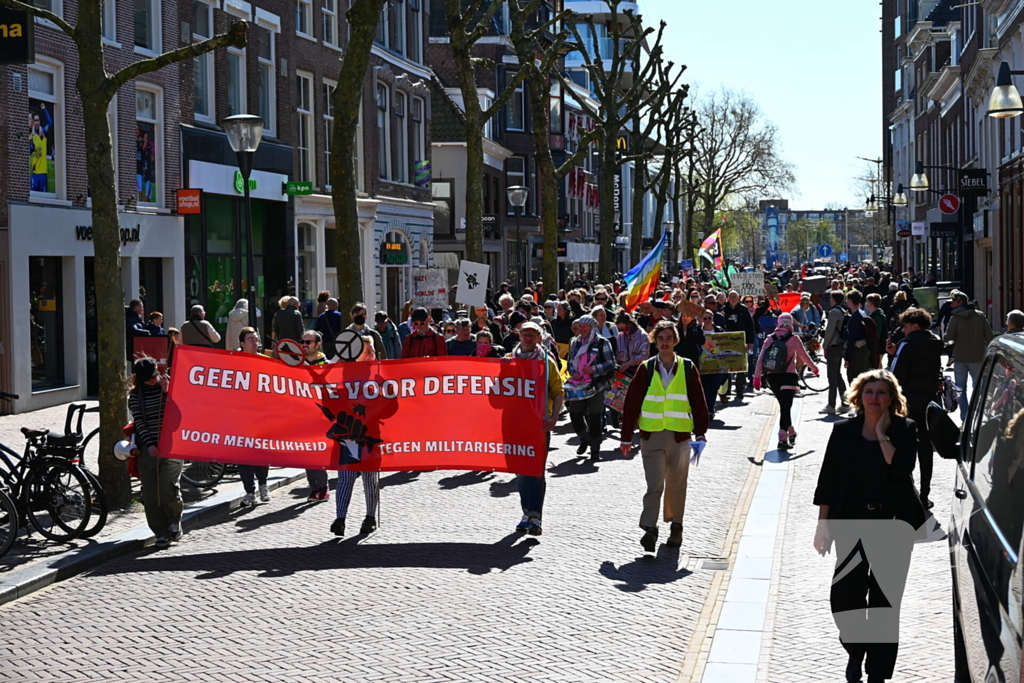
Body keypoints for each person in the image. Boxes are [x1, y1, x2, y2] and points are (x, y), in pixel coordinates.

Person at [813, 369, 926, 683]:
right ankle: (855, 650)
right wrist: (823, 524)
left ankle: (877, 672)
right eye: (869, 392)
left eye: (881, 393)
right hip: (851, 524)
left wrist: (881, 434)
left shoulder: (905, 428)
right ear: (859, 397)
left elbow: (901, 468)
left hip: (893, 525)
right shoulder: (843, 431)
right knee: (844, 597)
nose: (874, 398)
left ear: (891, 399)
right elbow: (829, 479)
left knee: (884, 601)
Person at [619, 320, 710, 551]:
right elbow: (631, 403)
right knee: (655, 484)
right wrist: (626, 437)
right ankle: (650, 528)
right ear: (654, 341)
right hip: (652, 435)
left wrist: (700, 433)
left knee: (677, 485)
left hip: (680, 436)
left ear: (675, 340)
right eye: (660, 338)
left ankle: (676, 526)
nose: (665, 342)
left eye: (669, 338)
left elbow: (699, 402)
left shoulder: (688, 367)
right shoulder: (646, 368)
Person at [506, 322, 564, 536]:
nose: (528, 337)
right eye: (524, 334)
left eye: (532, 334)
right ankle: (526, 513)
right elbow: (496, 393)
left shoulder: (547, 362)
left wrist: (554, 417)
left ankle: (536, 516)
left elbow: (558, 391)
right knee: (521, 471)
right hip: (515, 423)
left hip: (539, 424)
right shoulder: (509, 360)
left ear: (539, 337)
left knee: (537, 470)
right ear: (519, 336)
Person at [887, 307, 942, 510]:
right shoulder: (935, 343)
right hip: (929, 403)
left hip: (907, 403)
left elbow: (895, 377)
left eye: (905, 326)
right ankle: (925, 494)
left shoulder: (906, 345)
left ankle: (909, 494)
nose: (903, 330)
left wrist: (894, 356)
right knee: (926, 449)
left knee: (904, 448)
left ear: (915, 326)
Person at [127, 356, 183, 549]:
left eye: (153, 376)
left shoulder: (169, 388)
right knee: (151, 494)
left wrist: (168, 393)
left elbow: (179, 416)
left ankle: (174, 522)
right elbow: (140, 422)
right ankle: (161, 533)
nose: (152, 380)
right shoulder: (136, 396)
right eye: (147, 378)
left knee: (168, 489)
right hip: (148, 448)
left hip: (172, 446)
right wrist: (150, 445)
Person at [330, 342, 381, 538]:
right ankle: (340, 519)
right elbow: (332, 399)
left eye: (372, 351)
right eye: (367, 351)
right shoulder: (345, 375)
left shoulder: (380, 378)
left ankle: (370, 517)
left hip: (371, 435)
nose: (371, 354)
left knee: (370, 478)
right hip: (350, 435)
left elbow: (391, 407)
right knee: (346, 476)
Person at [754, 312, 819, 450]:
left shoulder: (770, 338)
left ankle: (791, 431)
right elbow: (804, 356)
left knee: (784, 407)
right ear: (790, 324)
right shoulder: (794, 339)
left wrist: (757, 377)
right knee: (785, 407)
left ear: (778, 323)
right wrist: (814, 368)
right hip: (789, 377)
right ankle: (782, 438)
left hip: (773, 378)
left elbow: (761, 358)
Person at [565, 314, 616, 460]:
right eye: (580, 326)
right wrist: (573, 372)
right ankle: (584, 438)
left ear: (592, 327)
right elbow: (570, 361)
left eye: (584, 327)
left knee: (595, 417)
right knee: (575, 414)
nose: (581, 329)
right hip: (578, 385)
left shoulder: (602, 342)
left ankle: (595, 449)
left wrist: (594, 369)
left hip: (596, 384)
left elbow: (611, 363)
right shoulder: (575, 342)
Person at [944, 290, 994, 419]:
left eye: (953, 302)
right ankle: (978, 416)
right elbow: (989, 337)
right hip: (978, 357)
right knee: (979, 388)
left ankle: (965, 418)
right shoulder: (980, 316)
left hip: (960, 358)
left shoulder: (955, 318)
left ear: (960, 303)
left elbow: (948, 338)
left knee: (960, 389)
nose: (951, 305)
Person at [237, 327, 271, 506]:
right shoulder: (234, 362)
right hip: (241, 416)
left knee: (260, 452)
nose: (254, 343)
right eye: (250, 339)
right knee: (243, 455)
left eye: (256, 340)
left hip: (261, 415)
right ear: (242, 343)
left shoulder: (266, 361)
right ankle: (249, 492)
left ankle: (263, 485)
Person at [301, 331, 331, 502]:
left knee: (318, 451)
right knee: (307, 452)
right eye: (303, 342)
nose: (304, 345)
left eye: (308, 342)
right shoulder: (297, 364)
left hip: (321, 415)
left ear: (318, 344)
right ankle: (314, 487)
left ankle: (323, 486)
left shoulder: (326, 364)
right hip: (304, 414)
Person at [821, 290, 851, 415]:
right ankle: (845, 403)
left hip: (833, 345)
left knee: (832, 376)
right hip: (840, 345)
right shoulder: (843, 311)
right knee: (838, 375)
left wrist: (825, 346)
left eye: (831, 298)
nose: (830, 300)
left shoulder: (834, 312)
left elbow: (829, 332)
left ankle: (831, 405)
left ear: (834, 299)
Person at [698, 309, 726, 422]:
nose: (707, 320)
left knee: (713, 388)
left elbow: (726, 344)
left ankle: (710, 410)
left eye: (709, 318)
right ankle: (704, 410)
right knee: (703, 388)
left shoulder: (720, 330)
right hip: (702, 364)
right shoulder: (698, 331)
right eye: (705, 318)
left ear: (713, 318)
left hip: (717, 365)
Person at [844, 291, 873, 384]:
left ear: (850, 301)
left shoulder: (854, 318)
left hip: (857, 352)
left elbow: (851, 339)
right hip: (864, 349)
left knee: (855, 380)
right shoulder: (862, 313)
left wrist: (847, 357)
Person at [864, 293, 887, 367]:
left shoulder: (876, 317)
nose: (866, 304)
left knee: (877, 366)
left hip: (878, 347)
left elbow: (877, 334)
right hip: (879, 346)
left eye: (867, 302)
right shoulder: (877, 314)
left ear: (871, 303)